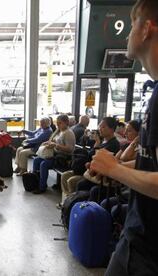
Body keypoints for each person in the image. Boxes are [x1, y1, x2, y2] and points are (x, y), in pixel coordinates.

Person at [90, 1, 158, 274]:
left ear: (146, 30)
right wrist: (116, 171)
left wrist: (115, 167)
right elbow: (151, 166)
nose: (126, 34)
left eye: (131, 26)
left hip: (147, 252)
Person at [32, 114, 75, 194]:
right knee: (36, 160)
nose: (58, 125)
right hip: (54, 154)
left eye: (60, 123)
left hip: (63, 157)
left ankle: (42, 187)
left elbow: (70, 149)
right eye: (57, 123)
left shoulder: (68, 133)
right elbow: (52, 140)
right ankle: (35, 182)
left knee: (43, 164)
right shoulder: (59, 131)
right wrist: (47, 143)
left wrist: (56, 145)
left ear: (66, 123)